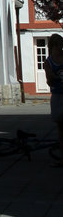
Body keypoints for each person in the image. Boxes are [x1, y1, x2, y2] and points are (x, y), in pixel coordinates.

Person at [44, 33, 63, 161]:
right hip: (57, 95)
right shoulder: (48, 62)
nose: (59, 49)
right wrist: (53, 77)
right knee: (61, 126)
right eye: (57, 46)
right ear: (51, 47)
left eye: (61, 46)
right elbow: (49, 80)